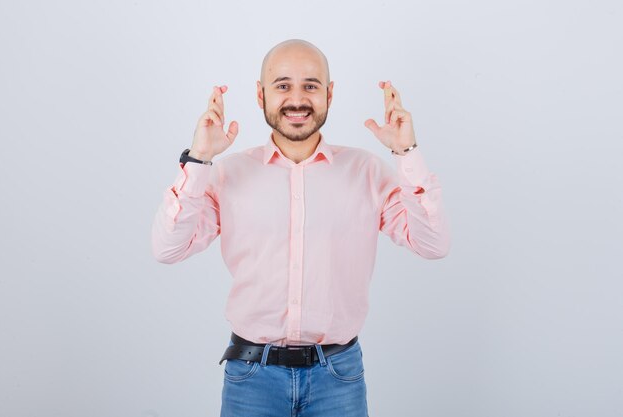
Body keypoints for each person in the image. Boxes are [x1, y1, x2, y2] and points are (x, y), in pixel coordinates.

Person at [151, 38, 451, 417]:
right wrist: (199, 160)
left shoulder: (367, 172)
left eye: (310, 85)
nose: (297, 99)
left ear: (329, 94)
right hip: (251, 378)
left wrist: (406, 154)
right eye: (282, 86)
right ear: (261, 96)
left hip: (338, 378)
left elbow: (433, 244)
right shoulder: (227, 175)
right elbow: (167, 249)